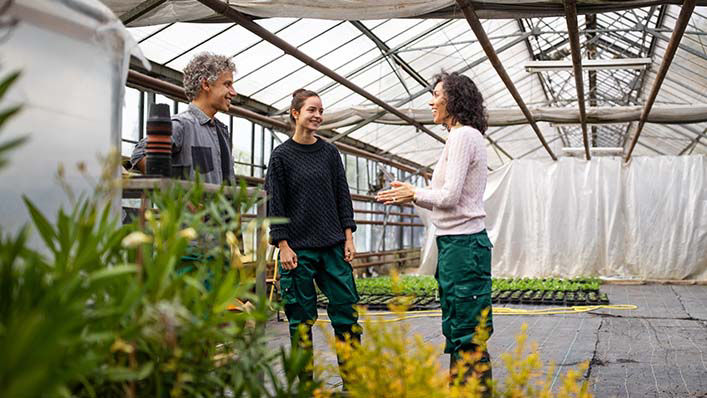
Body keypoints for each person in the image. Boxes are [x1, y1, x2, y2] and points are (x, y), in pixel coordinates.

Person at [376, 71, 493, 392]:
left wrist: (413, 193)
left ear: (454, 100)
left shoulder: (462, 137)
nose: (431, 101)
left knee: (467, 331)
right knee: (460, 327)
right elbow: (445, 201)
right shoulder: (461, 137)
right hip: (457, 246)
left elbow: (450, 197)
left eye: (437, 95)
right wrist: (412, 192)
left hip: (463, 246)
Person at [264, 89, 361, 387]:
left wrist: (348, 237)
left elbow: (342, 197)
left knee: (346, 314)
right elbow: (275, 204)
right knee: (301, 321)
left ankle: (355, 382)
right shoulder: (281, 156)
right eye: (311, 110)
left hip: (333, 246)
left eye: (320, 110)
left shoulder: (330, 153)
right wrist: (283, 245)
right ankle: (306, 386)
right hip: (298, 251)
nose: (318, 115)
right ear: (296, 113)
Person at [131, 52, 236, 185]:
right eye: (227, 84)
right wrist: (175, 195)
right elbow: (140, 153)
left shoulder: (222, 131)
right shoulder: (182, 125)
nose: (233, 92)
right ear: (206, 84)